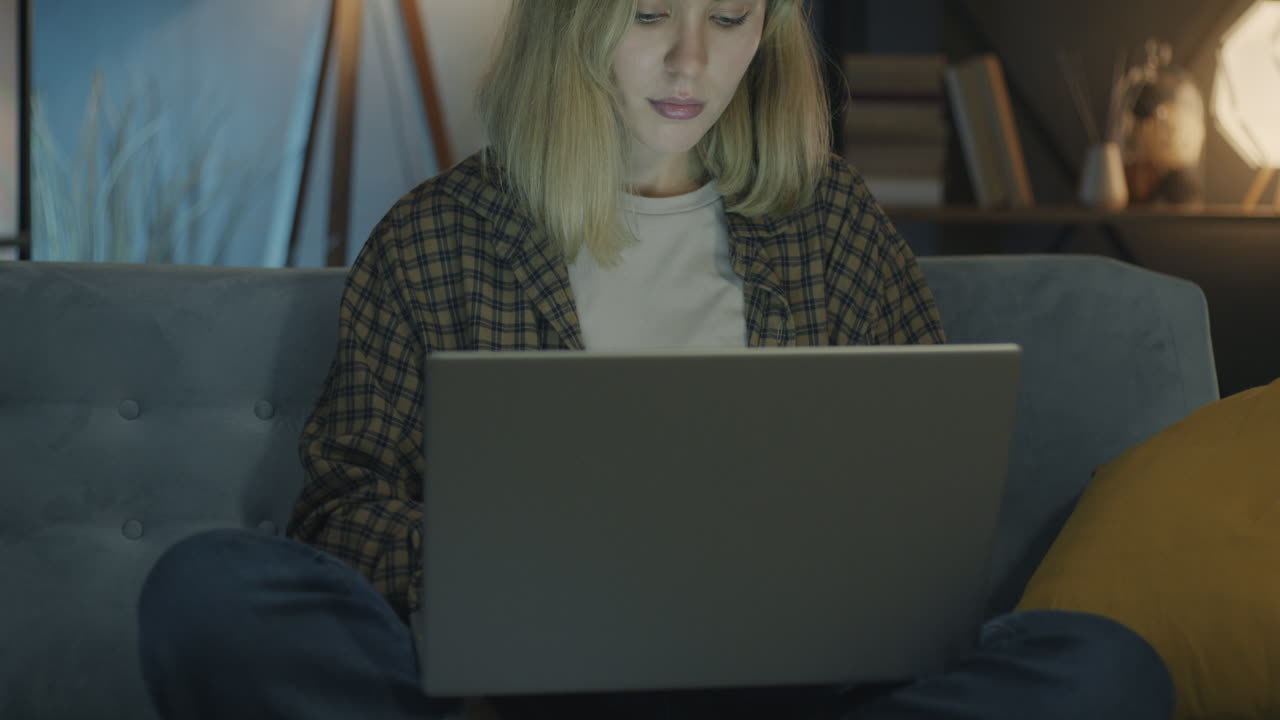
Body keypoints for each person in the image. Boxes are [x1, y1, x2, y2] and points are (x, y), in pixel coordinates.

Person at [137, 1, 1175, 718]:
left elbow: (921, 507)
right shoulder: (438, 237)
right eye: (646, 16)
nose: (691, 61)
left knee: (1099, 670)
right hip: (520, 691)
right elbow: (344, 508)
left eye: (728, 19)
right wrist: (531, 577)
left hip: (790, 688)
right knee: (210, 592)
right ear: (574, 24)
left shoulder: (830, 227)